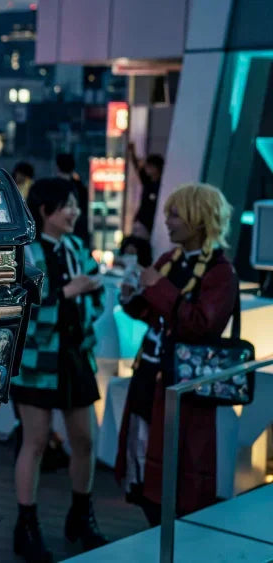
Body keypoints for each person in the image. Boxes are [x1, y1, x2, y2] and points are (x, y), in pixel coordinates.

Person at [115, 183, 236, 525]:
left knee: (178, 473)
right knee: (143, 462)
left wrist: (156, 287)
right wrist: (132, 298)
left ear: (199, 219)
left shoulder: (221, 272)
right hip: (150, 378)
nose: (167, 221)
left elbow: (200, 324)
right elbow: (156, 314)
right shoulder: (170, 260)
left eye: (175, 214)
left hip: (183, 388)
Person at [11, 178, 107, 562]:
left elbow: (96, 297)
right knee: (35, 441)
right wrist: (69, 293)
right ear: (45, 210)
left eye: (76, 205)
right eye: (66, 205)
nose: (75, 212)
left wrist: (82, 298)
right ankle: (26, 526)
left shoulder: (77, 247)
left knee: (84, 440)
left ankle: (81, 515)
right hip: (36, 361)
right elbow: (21, 305)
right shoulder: (25, 251)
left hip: (74, 356)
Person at [127, 143, 165, 241]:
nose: (146, 168)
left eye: (149, 166)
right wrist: (132, 152)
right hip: (140, 221)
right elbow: (137, 168)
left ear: (156, 168)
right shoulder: (148, 182)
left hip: (150, 225)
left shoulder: (161, 185)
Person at [55, 153, 91, 243]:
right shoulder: (81, 188)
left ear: (57, 167)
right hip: (79, 231)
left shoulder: (53, 187)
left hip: (59, 231)